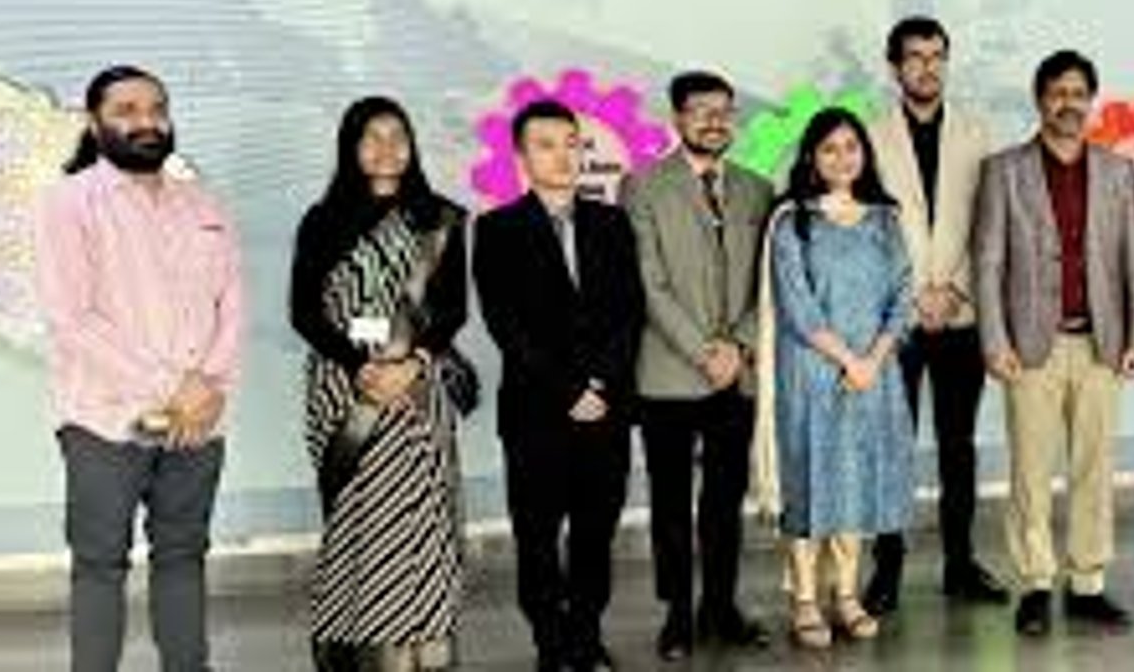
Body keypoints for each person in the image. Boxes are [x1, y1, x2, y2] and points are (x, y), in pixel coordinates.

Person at [36, 65, 243, 672]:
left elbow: (232, 304)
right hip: (105, 421)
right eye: (126, 110)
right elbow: (72, 318)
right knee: (100, 563)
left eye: (156, 108)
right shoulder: (67, 203)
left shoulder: (202, 203)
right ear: (93, 121)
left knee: (183, 555)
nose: (146, 121)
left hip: (198, 421)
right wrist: (175, 386)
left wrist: (210, 388)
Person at [290, 96, 472, 669]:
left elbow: (452, 311)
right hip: (345, 389)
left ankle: (423, 646)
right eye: (372, 136)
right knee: (358, 519)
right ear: (351, 147)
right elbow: (303, 312)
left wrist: (410, 364)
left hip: (416, 386)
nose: (387, 148)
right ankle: (355, 649)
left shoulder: (441, 219)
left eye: (398, 136)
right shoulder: (322, 221)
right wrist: (360, 366)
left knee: (419, 518)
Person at [974, 49, 1134, 637]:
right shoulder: (1004, 171)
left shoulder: (1117, 171)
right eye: (1057, 93)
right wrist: (994, 340)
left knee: (1094, 467)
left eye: (1078, 93)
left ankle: (1087, 584)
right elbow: (987, 262)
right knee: (1029, 470)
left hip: (1100, 343)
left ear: (1091, 100)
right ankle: (1035, 583)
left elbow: (1132, 261)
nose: (1068, 103)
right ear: (1040, 100)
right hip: (1030, 347)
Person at [474, 99, 645, 670]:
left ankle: (586, 636)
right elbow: (507, 326)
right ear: (521, 157)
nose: (563, 155)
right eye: (546, 145)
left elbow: (629, 315)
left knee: (595, 534)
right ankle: (549, 642)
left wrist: (600, 384)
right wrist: (569, 390)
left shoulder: (612, 223)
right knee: (538, 537)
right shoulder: (496, 229)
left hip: (607, 409)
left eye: (572, 143)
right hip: (536, 414)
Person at [623, 71, 774, 661]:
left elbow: (768, 282)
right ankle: (678, 613)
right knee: (671, 503)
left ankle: (721, 605)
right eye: (701, 110)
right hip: (668, 373)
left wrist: (738, 346)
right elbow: (649, 283)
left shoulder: (758, 190)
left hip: (737, 372)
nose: (715, 121)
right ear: (677, 118)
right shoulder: (642, 187)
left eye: (724, 111)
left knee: (724, 502)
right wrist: (702, 351)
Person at [753, 108, 916, 648]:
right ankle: (805, 599)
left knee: (856, 480)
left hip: (875, 375)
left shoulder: (885, 219)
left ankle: (846, 594)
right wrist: (849, 360)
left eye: (851, 146)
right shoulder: (790, 221)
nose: (842, 158)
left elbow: (903, 295)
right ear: (811, 157)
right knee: (810, 481)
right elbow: (798, 308)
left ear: (864, 153)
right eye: (829, 148)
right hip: (812, 374)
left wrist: (873, 360)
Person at [861, 14, 1007, 615]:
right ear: (895, 67)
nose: (927, 67)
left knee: (957, 447)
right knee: (890, 449)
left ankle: (960, 565)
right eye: (915, 57)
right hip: (896, 322)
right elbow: (866, 228)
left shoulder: (978, 133)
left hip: (960, 316)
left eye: (936, 56)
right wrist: (913, 296)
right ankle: (887, 568)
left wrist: (955, 293)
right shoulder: (869, 137)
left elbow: (989, 225)